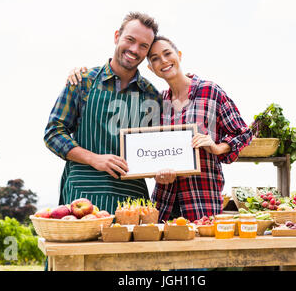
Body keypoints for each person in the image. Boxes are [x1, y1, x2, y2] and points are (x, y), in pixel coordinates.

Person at [66, 36, 253, 223]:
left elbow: (243, 133)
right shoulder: (156, 101)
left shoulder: (210, 91)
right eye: (155, 58)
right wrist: (157, 172)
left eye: (167, 53)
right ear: (151, 68)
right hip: (163, 203)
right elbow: (146, 150)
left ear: (178, 55)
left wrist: (218, 147)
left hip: (201, 199)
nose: (163, 61)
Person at [44, 12, 162, 215]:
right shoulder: (83, 81)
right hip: (83, 194)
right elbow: (53, 133)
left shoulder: (152, 96)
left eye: (143, 46)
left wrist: (163, 171)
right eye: (130, 40)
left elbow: (157, 152)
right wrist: (94, 159)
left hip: (132, 200)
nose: (134, 49)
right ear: (117, 36)